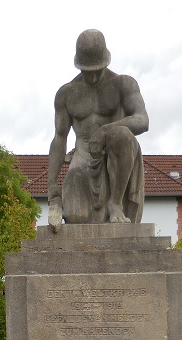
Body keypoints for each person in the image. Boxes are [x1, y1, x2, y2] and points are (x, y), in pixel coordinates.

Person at [47, 29, 149, 231]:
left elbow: (142, 120)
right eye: (87, 70)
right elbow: (59, 138)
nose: (93, 76)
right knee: (77, 217)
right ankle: (70, 202)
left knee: (120, 134)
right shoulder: (66, 93)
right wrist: (51, 185)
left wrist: (105, 130)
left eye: (97, 69)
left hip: (116, 157)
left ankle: (116, 203)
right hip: (83, 158)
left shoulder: (123, 84)